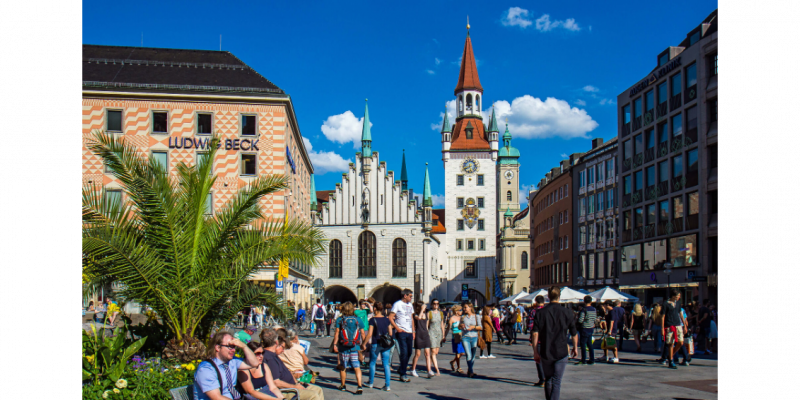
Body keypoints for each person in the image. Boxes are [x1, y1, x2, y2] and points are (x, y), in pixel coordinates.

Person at [531, 287, 579, 400]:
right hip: (561, 350)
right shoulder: (567, 312)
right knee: (557, 381)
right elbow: (574, 333)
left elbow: (534, 334)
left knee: (548, 379)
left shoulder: (540, 313)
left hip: (546, 350)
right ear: (559, 296)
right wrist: (575, 347)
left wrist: (535, 352)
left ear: (548, 296)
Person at [193, 331, 262, 400]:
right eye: (230, 346)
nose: (233, 350)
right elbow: (217, 398)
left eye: (234, 347)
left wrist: (244, 346)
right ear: (218, 348)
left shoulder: (232, 361)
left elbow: (254, 363)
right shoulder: (206, 369)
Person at [260, 328, 325, 400]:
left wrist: (297, 383)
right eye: (282, 347)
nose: (283, 350)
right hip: (286, 390)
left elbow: (286, 373)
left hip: (292, 385)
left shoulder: (274, 355)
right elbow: (276, 382)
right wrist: (295, 387)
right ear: (276, 342)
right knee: (313, 395)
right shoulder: (270, 358)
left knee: (318, 389)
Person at [333, 302, 365, 393]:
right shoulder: (358, 319)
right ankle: (359, 386)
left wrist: (335, 345)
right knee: (357, 367)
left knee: (343, 366)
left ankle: (343, 385)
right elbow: (362, 333)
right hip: (355, 347)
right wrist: (364, 344)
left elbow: (337, 333)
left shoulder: (340, 319)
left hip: (343, 347)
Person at [363, 302, 393, 391]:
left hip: (376, 343)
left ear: (375, 309)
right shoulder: (387, 319)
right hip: (385, 344)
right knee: (386, 364)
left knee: (372, 363)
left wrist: (364, 344)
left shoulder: (372, 320)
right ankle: (387, 385)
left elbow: (369, 334)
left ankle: (371, 383)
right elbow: (390, 333)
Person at [388, 289, 415, 382]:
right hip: (401, 331)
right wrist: (397, 328)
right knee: (403, 352)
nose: (411, 298)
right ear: (405, 296)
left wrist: (413, 331)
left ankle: (401, 368)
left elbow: (411, 318)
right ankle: (403, 374)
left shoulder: (410, 305)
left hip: (409, 331)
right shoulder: (397, 304)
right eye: (410, 296)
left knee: (409, 352)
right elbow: (390, 317)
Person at [661, 289, 684, 370]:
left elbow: (680, 313)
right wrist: (662, 328)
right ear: (673, 296)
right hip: (669, 325)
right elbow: (663, 316)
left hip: (678, 324)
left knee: (681, 342)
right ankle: (671, 360)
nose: (679, 298)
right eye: (678, 296)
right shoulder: (666, 304)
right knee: (670, 343)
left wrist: (684, 323)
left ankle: (671, 355)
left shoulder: (678, 303)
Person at [410, 301, 433, 378]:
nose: (425, 307)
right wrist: (421, 310)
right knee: (418, 354)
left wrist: (428, 333)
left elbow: (426, 324)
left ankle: (429, 370)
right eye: (423, 306)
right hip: (418, 335)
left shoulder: (426, 314)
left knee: (427, 353)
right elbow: (419, 318)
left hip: (425, 335)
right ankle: (413, 369)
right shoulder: (415, 315)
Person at [459, 303, 482, 378]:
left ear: (470, 307)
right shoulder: (463, 317)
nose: (464, 309)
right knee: (468, 354)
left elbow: (480, 327)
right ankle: (471, 371)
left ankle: (469, 370)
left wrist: (473, 327)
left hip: (474, 337)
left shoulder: (476, 316)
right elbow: (459, 327)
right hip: (465, 337)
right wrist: (461, 326)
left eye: (465, 307)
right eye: (464, 307)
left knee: (473, 355)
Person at [529, 295, 547, 386]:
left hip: (537, 339)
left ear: (536, 302)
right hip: (547, 338)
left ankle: (542, 379)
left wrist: (531, 337)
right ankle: (547, 378)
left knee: (538, 359)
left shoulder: (534, 311)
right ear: (544, 302)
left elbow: (531, 326)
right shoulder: (547, 311)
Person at [576, 296, 596, 365]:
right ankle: (592, 359)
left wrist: (577, 320)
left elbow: (581, 320)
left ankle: (583, 359)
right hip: (591, 328)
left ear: (584, 301)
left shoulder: (584, 309)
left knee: (583, 344)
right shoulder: (593, 309)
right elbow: (594, 319)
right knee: (590, 344)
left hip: (584, 328)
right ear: (591, 301)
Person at [445, 304, 465, 374]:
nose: (462, 311)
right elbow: (448, 328)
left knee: (462, 353)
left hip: (462, 336)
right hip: (455, 337)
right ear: (456, 311)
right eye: (460, 310)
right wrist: (444, 336)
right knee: (458, 353)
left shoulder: (462, 318)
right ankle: (459, 367)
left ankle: (453, 362)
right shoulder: (452, 318)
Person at [427, 300, 445, 374]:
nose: (436, 305)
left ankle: (429, 366)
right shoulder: (429, 313)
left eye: (437, 304)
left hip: (439, 333)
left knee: (436, 352)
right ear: (432, 304)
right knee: (433, 351)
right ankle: (437, 370)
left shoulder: (441, 313)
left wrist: (443, 334)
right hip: (432, 332)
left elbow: (442, 324)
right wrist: (426, 333)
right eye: (434, 304)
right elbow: (427, 324)